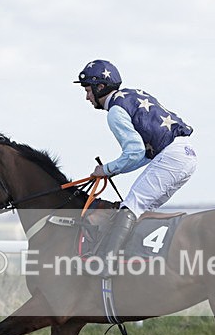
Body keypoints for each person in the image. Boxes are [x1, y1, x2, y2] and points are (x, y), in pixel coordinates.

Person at [74, 59, 197, 276]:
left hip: (172, 156)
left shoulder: (114, 112)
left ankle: (106, 264)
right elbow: (145, 154)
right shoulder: (132, 94)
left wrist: (106, 170)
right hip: (186, 155)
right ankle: (139, 261)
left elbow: (134, 153)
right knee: (141, 211)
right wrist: (113, 170)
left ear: (100, 87)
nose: (86, 97)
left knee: (130, 206)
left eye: (87, 90)